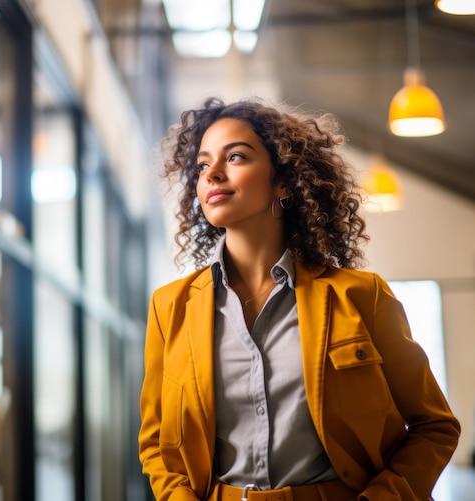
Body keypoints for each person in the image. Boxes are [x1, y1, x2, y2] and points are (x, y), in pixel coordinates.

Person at [138, 97, 460, 501]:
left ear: (284, 180)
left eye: (235, 157)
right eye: (203, 165)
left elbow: (434, 427)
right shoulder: (170, 307)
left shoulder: (361, 296)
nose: (212, 174)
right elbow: (157, 446)